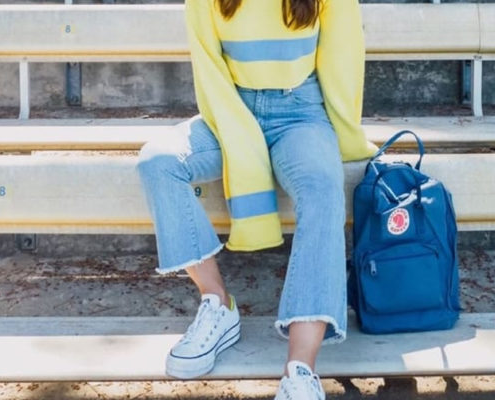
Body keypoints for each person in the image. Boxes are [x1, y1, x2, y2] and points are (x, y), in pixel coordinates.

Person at [136, 0, 376, 398]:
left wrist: (343, 134)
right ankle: (217, 304)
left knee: (322, 188)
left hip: (300, 113)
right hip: (228, 108)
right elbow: (209, 68)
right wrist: (240, 132)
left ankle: (300, 370)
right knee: (158, 162)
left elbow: (342, 55)